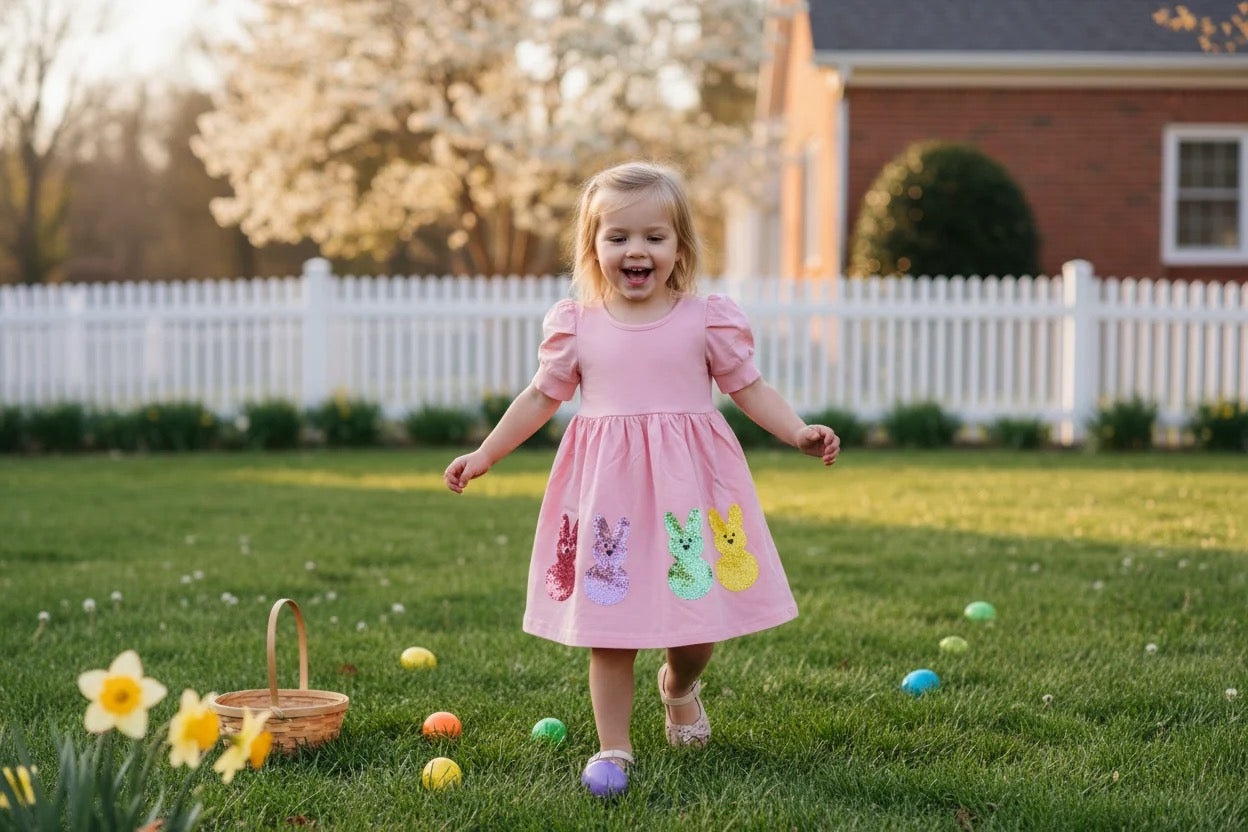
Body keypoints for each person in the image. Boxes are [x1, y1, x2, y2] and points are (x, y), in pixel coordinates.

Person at [444, 160, 839, 795]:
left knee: (698, 623)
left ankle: (679, 687)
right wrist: (485, 454)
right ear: (593, 246)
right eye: (619, 236)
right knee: (610, 626)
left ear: (680, 246)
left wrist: (797, 431)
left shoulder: (704, 318)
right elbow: (539, 398)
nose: (637, 250)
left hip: (687, 493)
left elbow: (749, 387)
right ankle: (614, 748)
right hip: (612, 500)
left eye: (655, 237)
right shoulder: (578, 324)